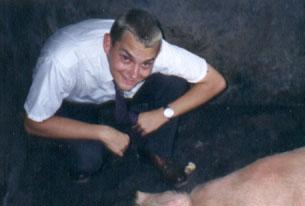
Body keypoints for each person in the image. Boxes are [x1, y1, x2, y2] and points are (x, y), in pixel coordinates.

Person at [23, 9, 226, 187]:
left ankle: (155, 151)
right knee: (88, 160)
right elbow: (32, 123)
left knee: (174, 82)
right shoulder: (61, 61)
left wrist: (164, 114)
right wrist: (102, 132)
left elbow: (216, 82)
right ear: (107, 44)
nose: (134, 73)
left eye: (146, 63)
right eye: (126, 58)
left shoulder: (158, 52)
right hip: (76, 100)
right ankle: (86, 145)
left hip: (120, 95)